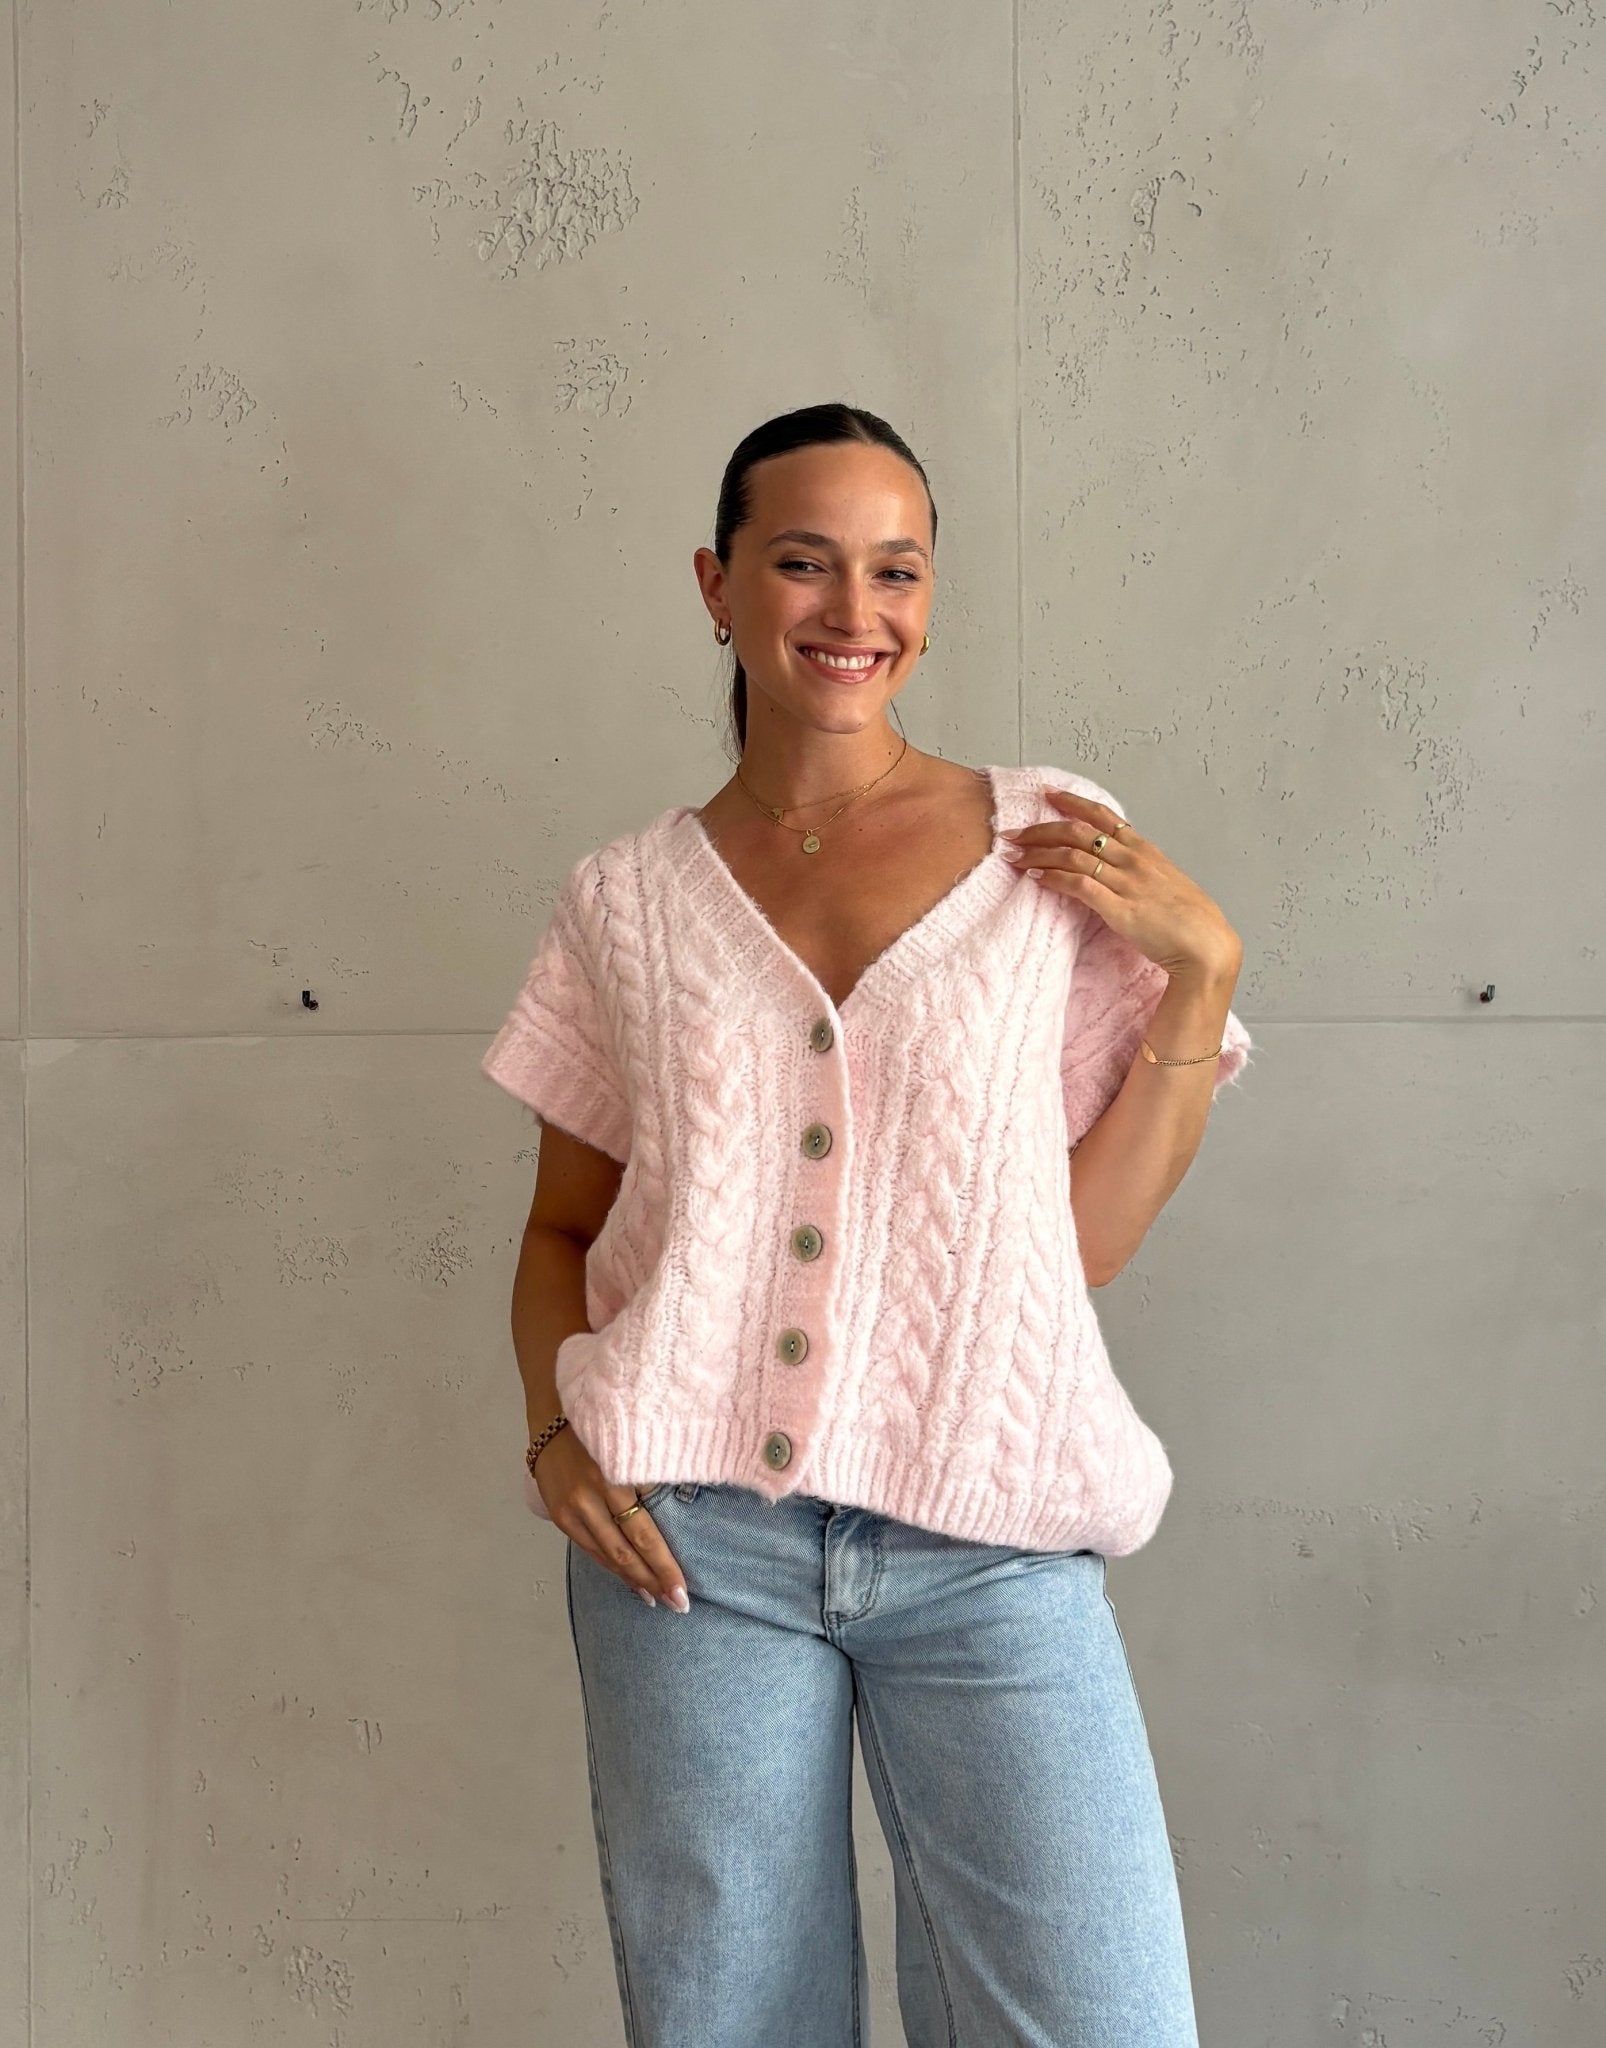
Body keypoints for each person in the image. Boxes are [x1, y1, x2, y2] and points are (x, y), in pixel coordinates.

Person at [482, 403, 1254, 2047]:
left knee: (1102, 2019)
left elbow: (1072, 1254)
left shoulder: (1048, 850)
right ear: (716, 584)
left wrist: (1201, 982)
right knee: (732, 2024)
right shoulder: (624, 902)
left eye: (895, 570)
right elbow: (559, 1232)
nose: (854, 611)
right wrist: (555, 1440)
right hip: (691, 1554)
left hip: (993, 1536)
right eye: (803, 563)